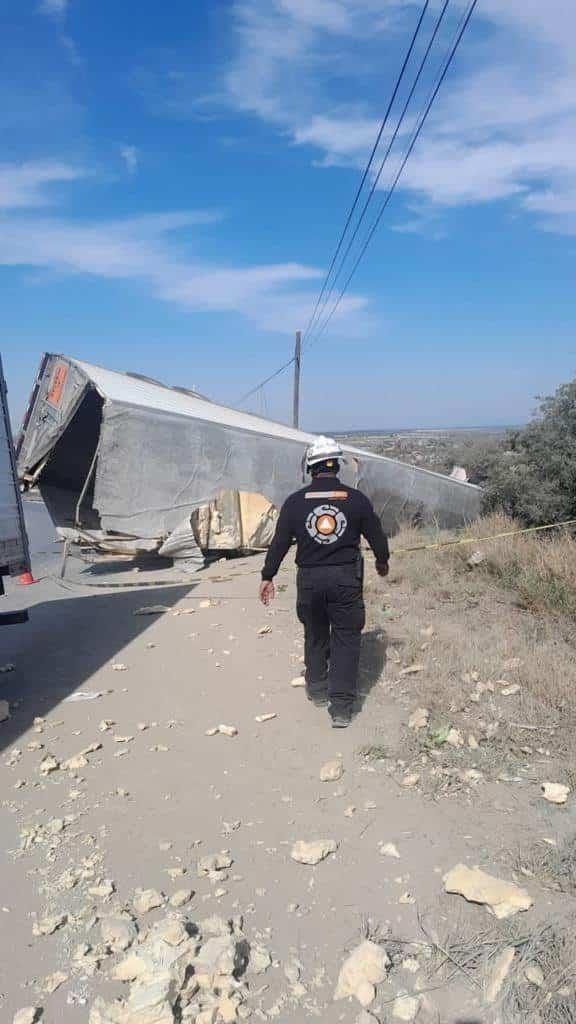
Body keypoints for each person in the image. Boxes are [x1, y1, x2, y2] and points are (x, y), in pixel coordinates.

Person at [259, 436, 390, 728]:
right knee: (346, 638)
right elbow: (377, 536)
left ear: (311, 467)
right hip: (345, 579)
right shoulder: (356, 500)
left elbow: (279, 543)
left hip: (309, 581)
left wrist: (268, 576)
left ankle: (317, 689)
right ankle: (341, 708)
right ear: (338, 466)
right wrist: (382, 561)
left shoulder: (294, 503)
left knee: (316, 633)